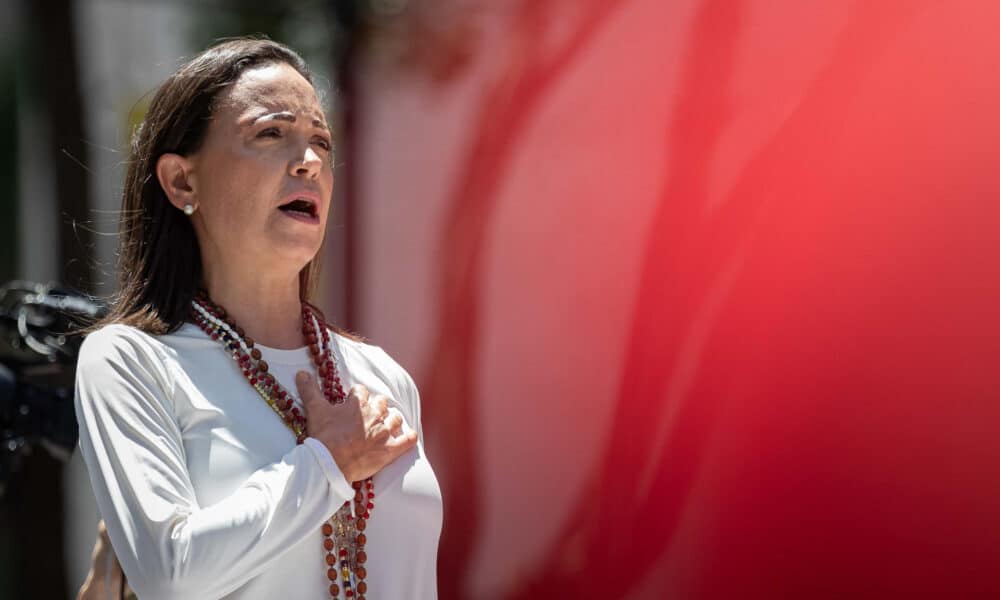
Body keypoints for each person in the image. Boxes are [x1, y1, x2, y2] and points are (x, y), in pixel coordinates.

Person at [73, 37, 442, 600]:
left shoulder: (382, 377)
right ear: (182, 182)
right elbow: (172, 576)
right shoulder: (129, 361)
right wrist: (328, 463)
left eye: (321, 140)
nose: (310, 160)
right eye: (271, 133)